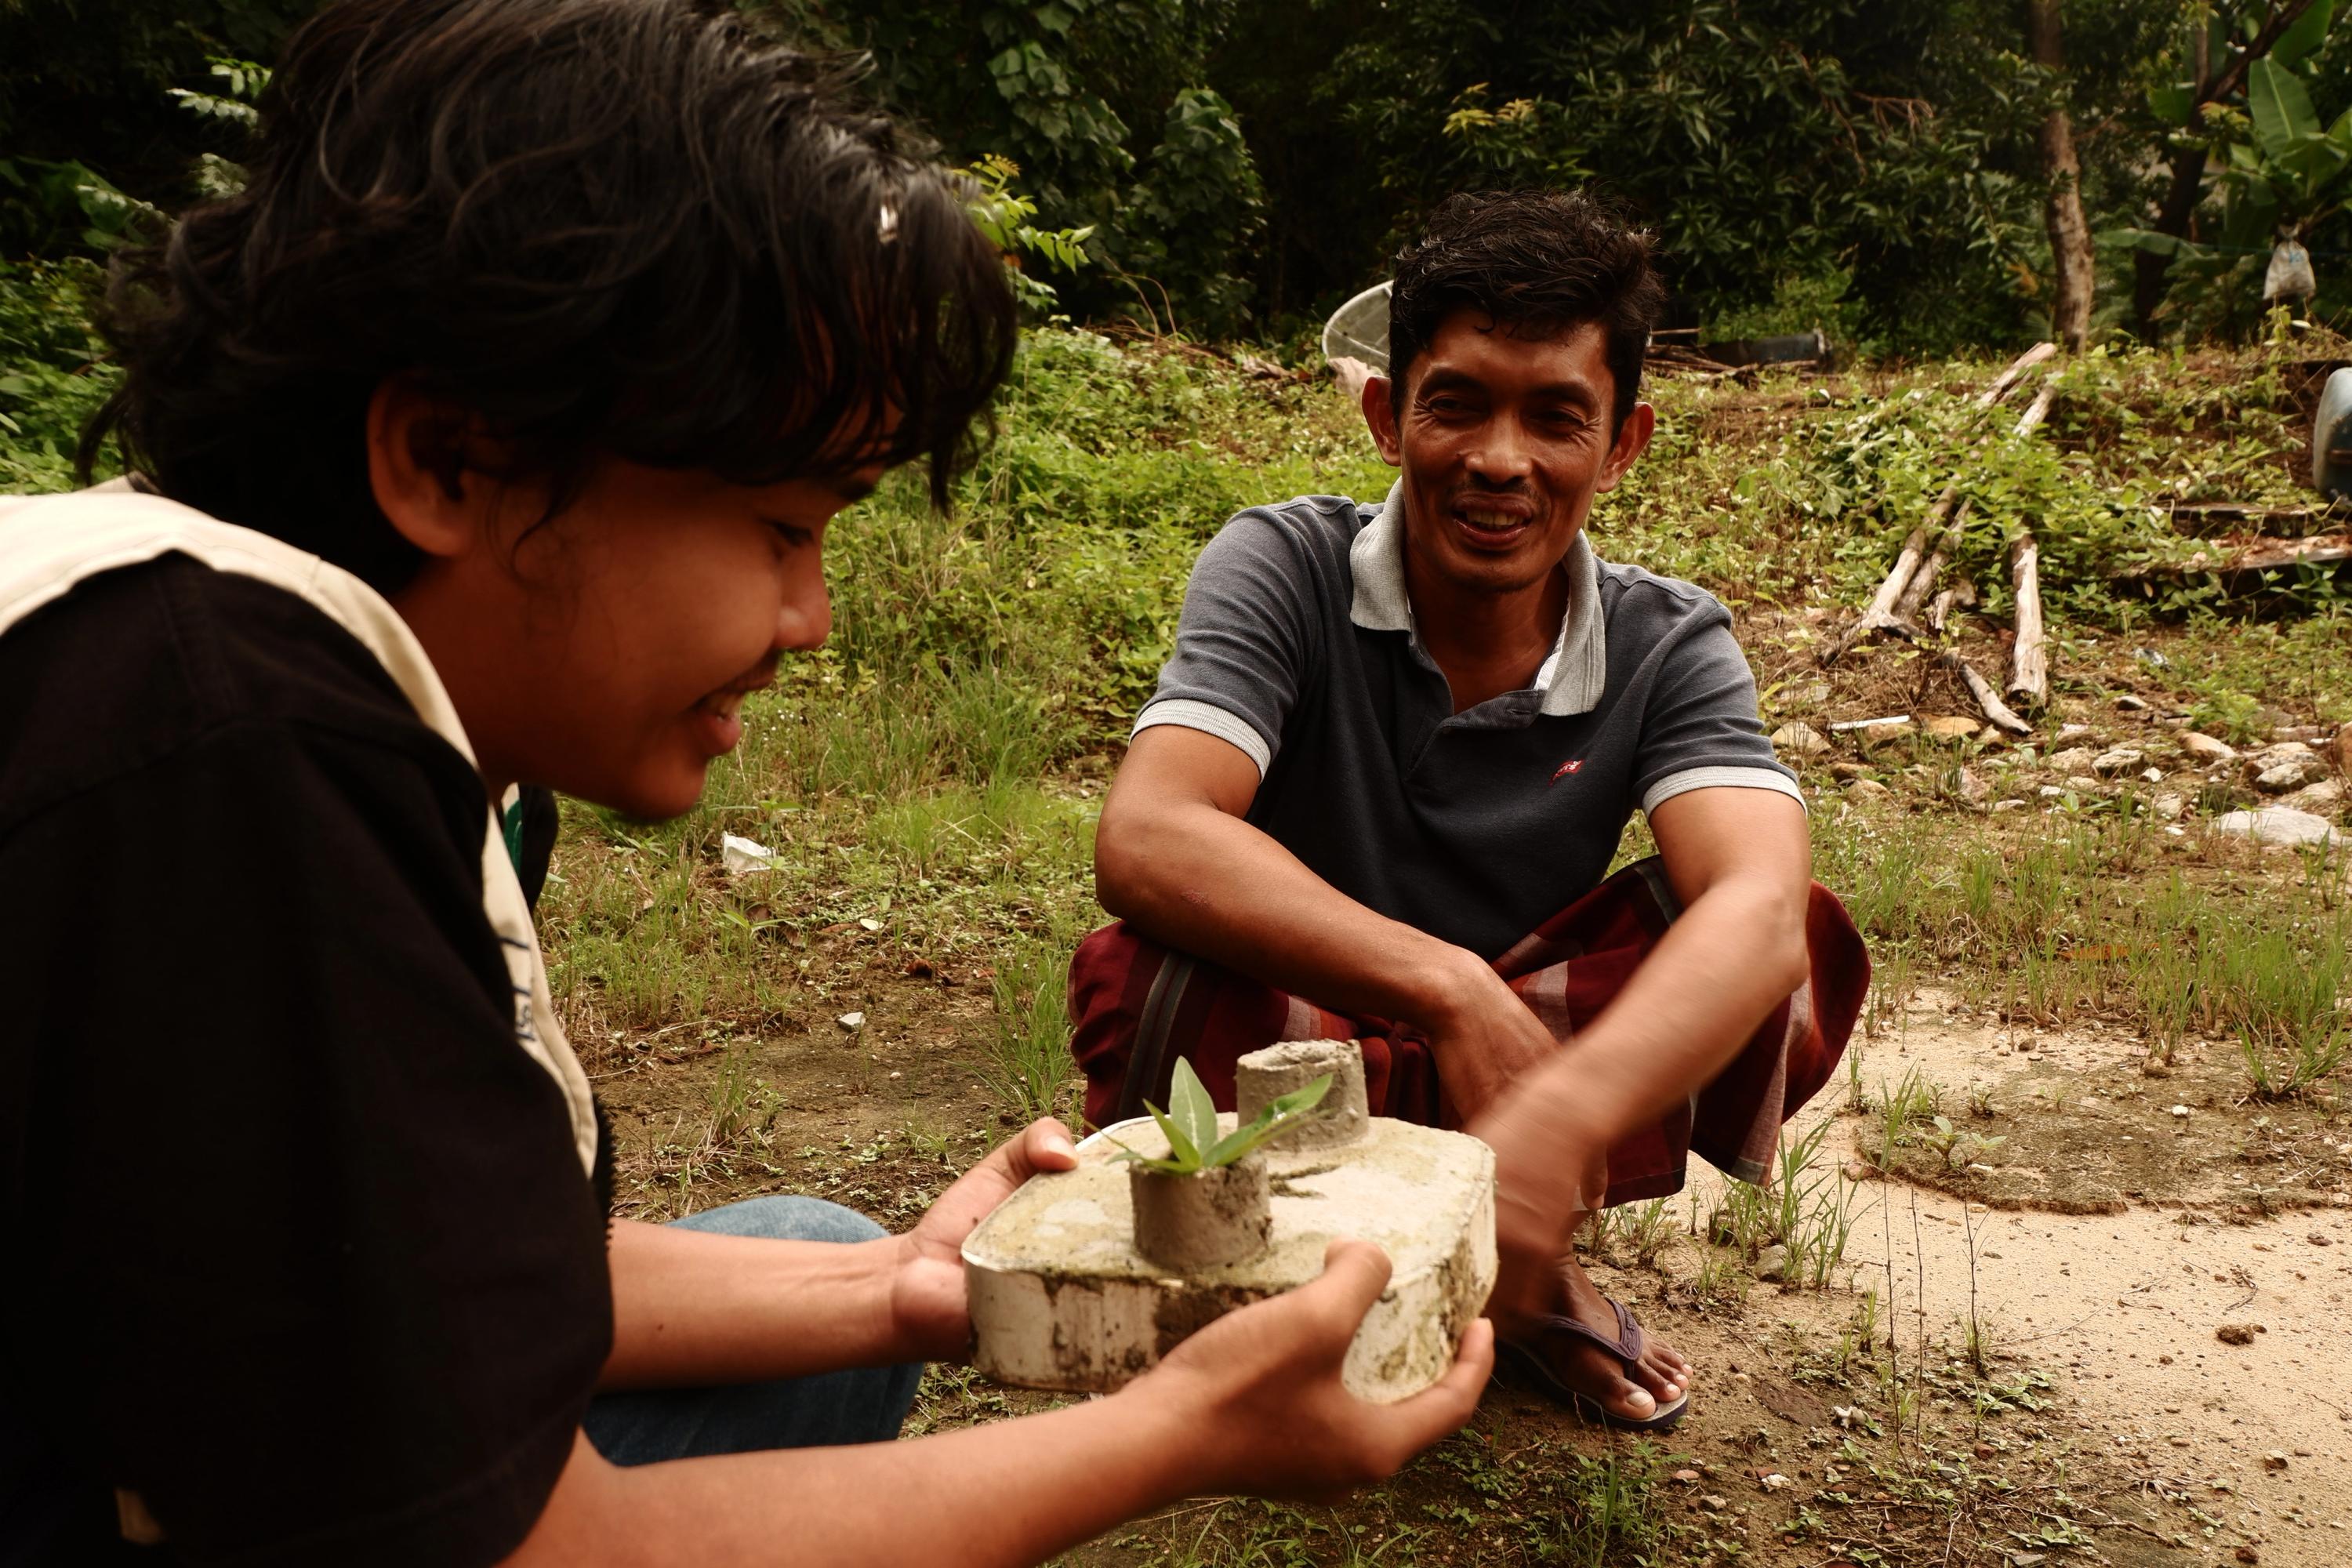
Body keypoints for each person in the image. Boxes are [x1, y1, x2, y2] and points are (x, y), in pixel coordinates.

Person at [0, 2, 1490, 1563]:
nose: (810, 622)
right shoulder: (226, 759)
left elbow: (373, 1268)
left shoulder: (243, 660)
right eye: (783, 528)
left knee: (821, 1248)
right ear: (449, 459)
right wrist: (1178, 1432)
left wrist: (901, 1291)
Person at [1076, 191, 1867, 1432]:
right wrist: (1453, 992)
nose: (1501, 459)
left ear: (1623, 445)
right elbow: (1152, 831)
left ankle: (1522, 1267)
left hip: (1532, 1041)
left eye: (1557, 418)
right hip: (1314, 1013)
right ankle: (1325, 1256)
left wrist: (1563, 1105)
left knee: (1787, 948)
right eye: (1458, 404)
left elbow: (1761, 907)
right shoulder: (1281, 564)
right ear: (1390, 417)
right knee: (1153, 967)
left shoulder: (1671, 640)